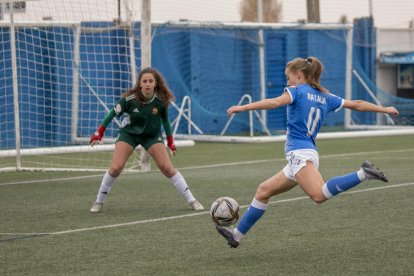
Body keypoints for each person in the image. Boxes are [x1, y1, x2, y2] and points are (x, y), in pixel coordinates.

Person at [216, 57, 399, 248]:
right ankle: (236, 235)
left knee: (318, 195)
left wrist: (243, 107)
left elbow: (274, 102)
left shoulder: (297, 91)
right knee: (263, 191)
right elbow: (357, 104)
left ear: (298, 75)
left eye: (288, 77)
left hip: (300, 155)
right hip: (305, 154)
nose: (287, 83)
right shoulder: (325, 96)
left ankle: (363, 173)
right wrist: (384, 109)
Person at [89, 67, 204, 213]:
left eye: (151, 81)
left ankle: (192, 200)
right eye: (145, 81)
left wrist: (170, 142)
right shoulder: (129, 100)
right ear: (140, 84)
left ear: (155, 83)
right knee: (116, 168)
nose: (148, 84)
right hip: (129, 134)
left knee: (166, 167)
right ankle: (99, 201)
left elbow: (165, 122)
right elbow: (112, 113)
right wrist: (99, 132)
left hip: (151, 135)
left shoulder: (160, 102)